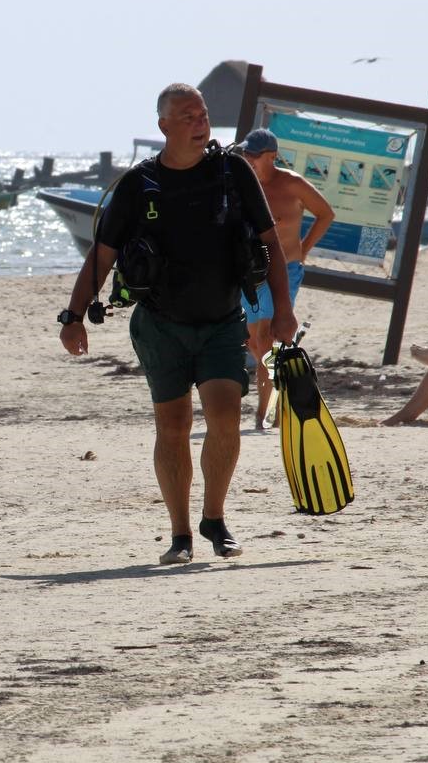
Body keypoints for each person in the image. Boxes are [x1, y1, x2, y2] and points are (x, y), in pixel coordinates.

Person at [58, 83, 296, 565]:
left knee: (226, 415)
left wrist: (283, 309)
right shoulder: (138, 185)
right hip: (160, 325)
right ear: (163, 125)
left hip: (223, 318)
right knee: (173, 425)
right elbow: (100, 257)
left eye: (203, 113)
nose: (198, 121)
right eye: (186, 115)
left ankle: (215, 518)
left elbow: (270, 243)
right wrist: (74, 315)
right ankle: (181, 533)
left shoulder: (233, 172)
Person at [237, 128, 335, 430]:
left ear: (272, 156)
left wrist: (303, 249)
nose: (248, 159)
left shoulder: (292, 183)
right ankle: (274, 405)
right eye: (246, 153)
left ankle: (264, 414)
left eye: (254, 155)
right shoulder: (243, 184)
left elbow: (326, 214)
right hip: (251, 273)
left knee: (267, 338)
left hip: (286, 270)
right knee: (255, 342)